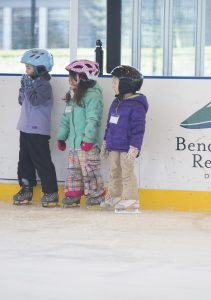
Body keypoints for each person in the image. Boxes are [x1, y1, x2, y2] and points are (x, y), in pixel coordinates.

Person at [13, 48, 59, 207]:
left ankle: (51, 192)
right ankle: (26, 188)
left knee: (42, 161)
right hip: (25, 128)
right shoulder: (32, 82)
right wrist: (23, 89)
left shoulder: (44, 85)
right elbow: (22, 101)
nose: (26, 70)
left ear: (40, 68)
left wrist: (28, 88)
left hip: (38, 130)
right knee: (24, 161)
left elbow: (34, 101)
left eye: (28, 67)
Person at [100, 65, 148, 213]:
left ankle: (131, 197)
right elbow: (109, 124)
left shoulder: (137, 106)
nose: (113, 86)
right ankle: (114, 195)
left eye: (116, 82)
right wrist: (106, 142)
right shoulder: (116, 102)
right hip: (114, 144)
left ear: (126, 84)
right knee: (114, 171)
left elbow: (139, 130)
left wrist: (135, 147)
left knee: (127, 172)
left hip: (127, 147)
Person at [57, 59, 105, 208]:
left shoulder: (92, 96)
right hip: (74, 143)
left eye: (72, 76)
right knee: (73, 171)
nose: (69, 80)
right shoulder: (72, 96)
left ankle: (95, 195)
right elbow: (66, 117)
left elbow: (93, 119)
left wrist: (89, 139)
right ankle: (73, 195)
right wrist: (62, 136)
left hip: (87, 144)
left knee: (90, 171)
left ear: (82, 78)